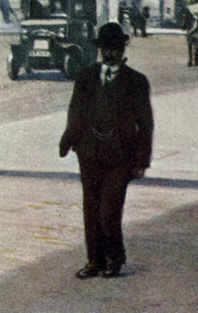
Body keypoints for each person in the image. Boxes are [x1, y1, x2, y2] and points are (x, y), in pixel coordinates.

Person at [59, 21, 154, 279]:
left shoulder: (136, 81)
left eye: (115, 48)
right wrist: (68, 141)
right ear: (99, 49)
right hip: (89, 154)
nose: (110, 53)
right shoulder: (86, 77)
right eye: (105, 48)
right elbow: (75, 112)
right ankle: (94, 261)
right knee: (91, 209)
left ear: (123, 49)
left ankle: (115, 258)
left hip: (120, 158)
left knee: (109, 210)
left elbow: (145, 124)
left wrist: (141, 161)